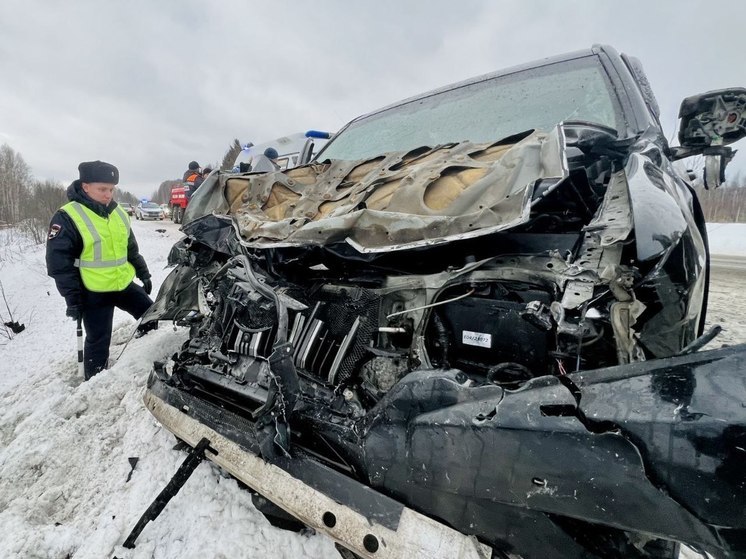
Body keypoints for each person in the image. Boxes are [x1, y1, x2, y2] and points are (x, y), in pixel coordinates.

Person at [46, 160, 157, 380]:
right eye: (102, 189)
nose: (108, 194)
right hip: (93, 291)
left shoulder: (119, 214)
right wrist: (73, 299)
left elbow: (131, 250)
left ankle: (144, 351)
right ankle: (95, 380)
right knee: (98, 339)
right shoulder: (67, 216)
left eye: (112, 189)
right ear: (85, 186)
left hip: (122, 284)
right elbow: (59, 264)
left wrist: (143, 273)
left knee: (152, 315)